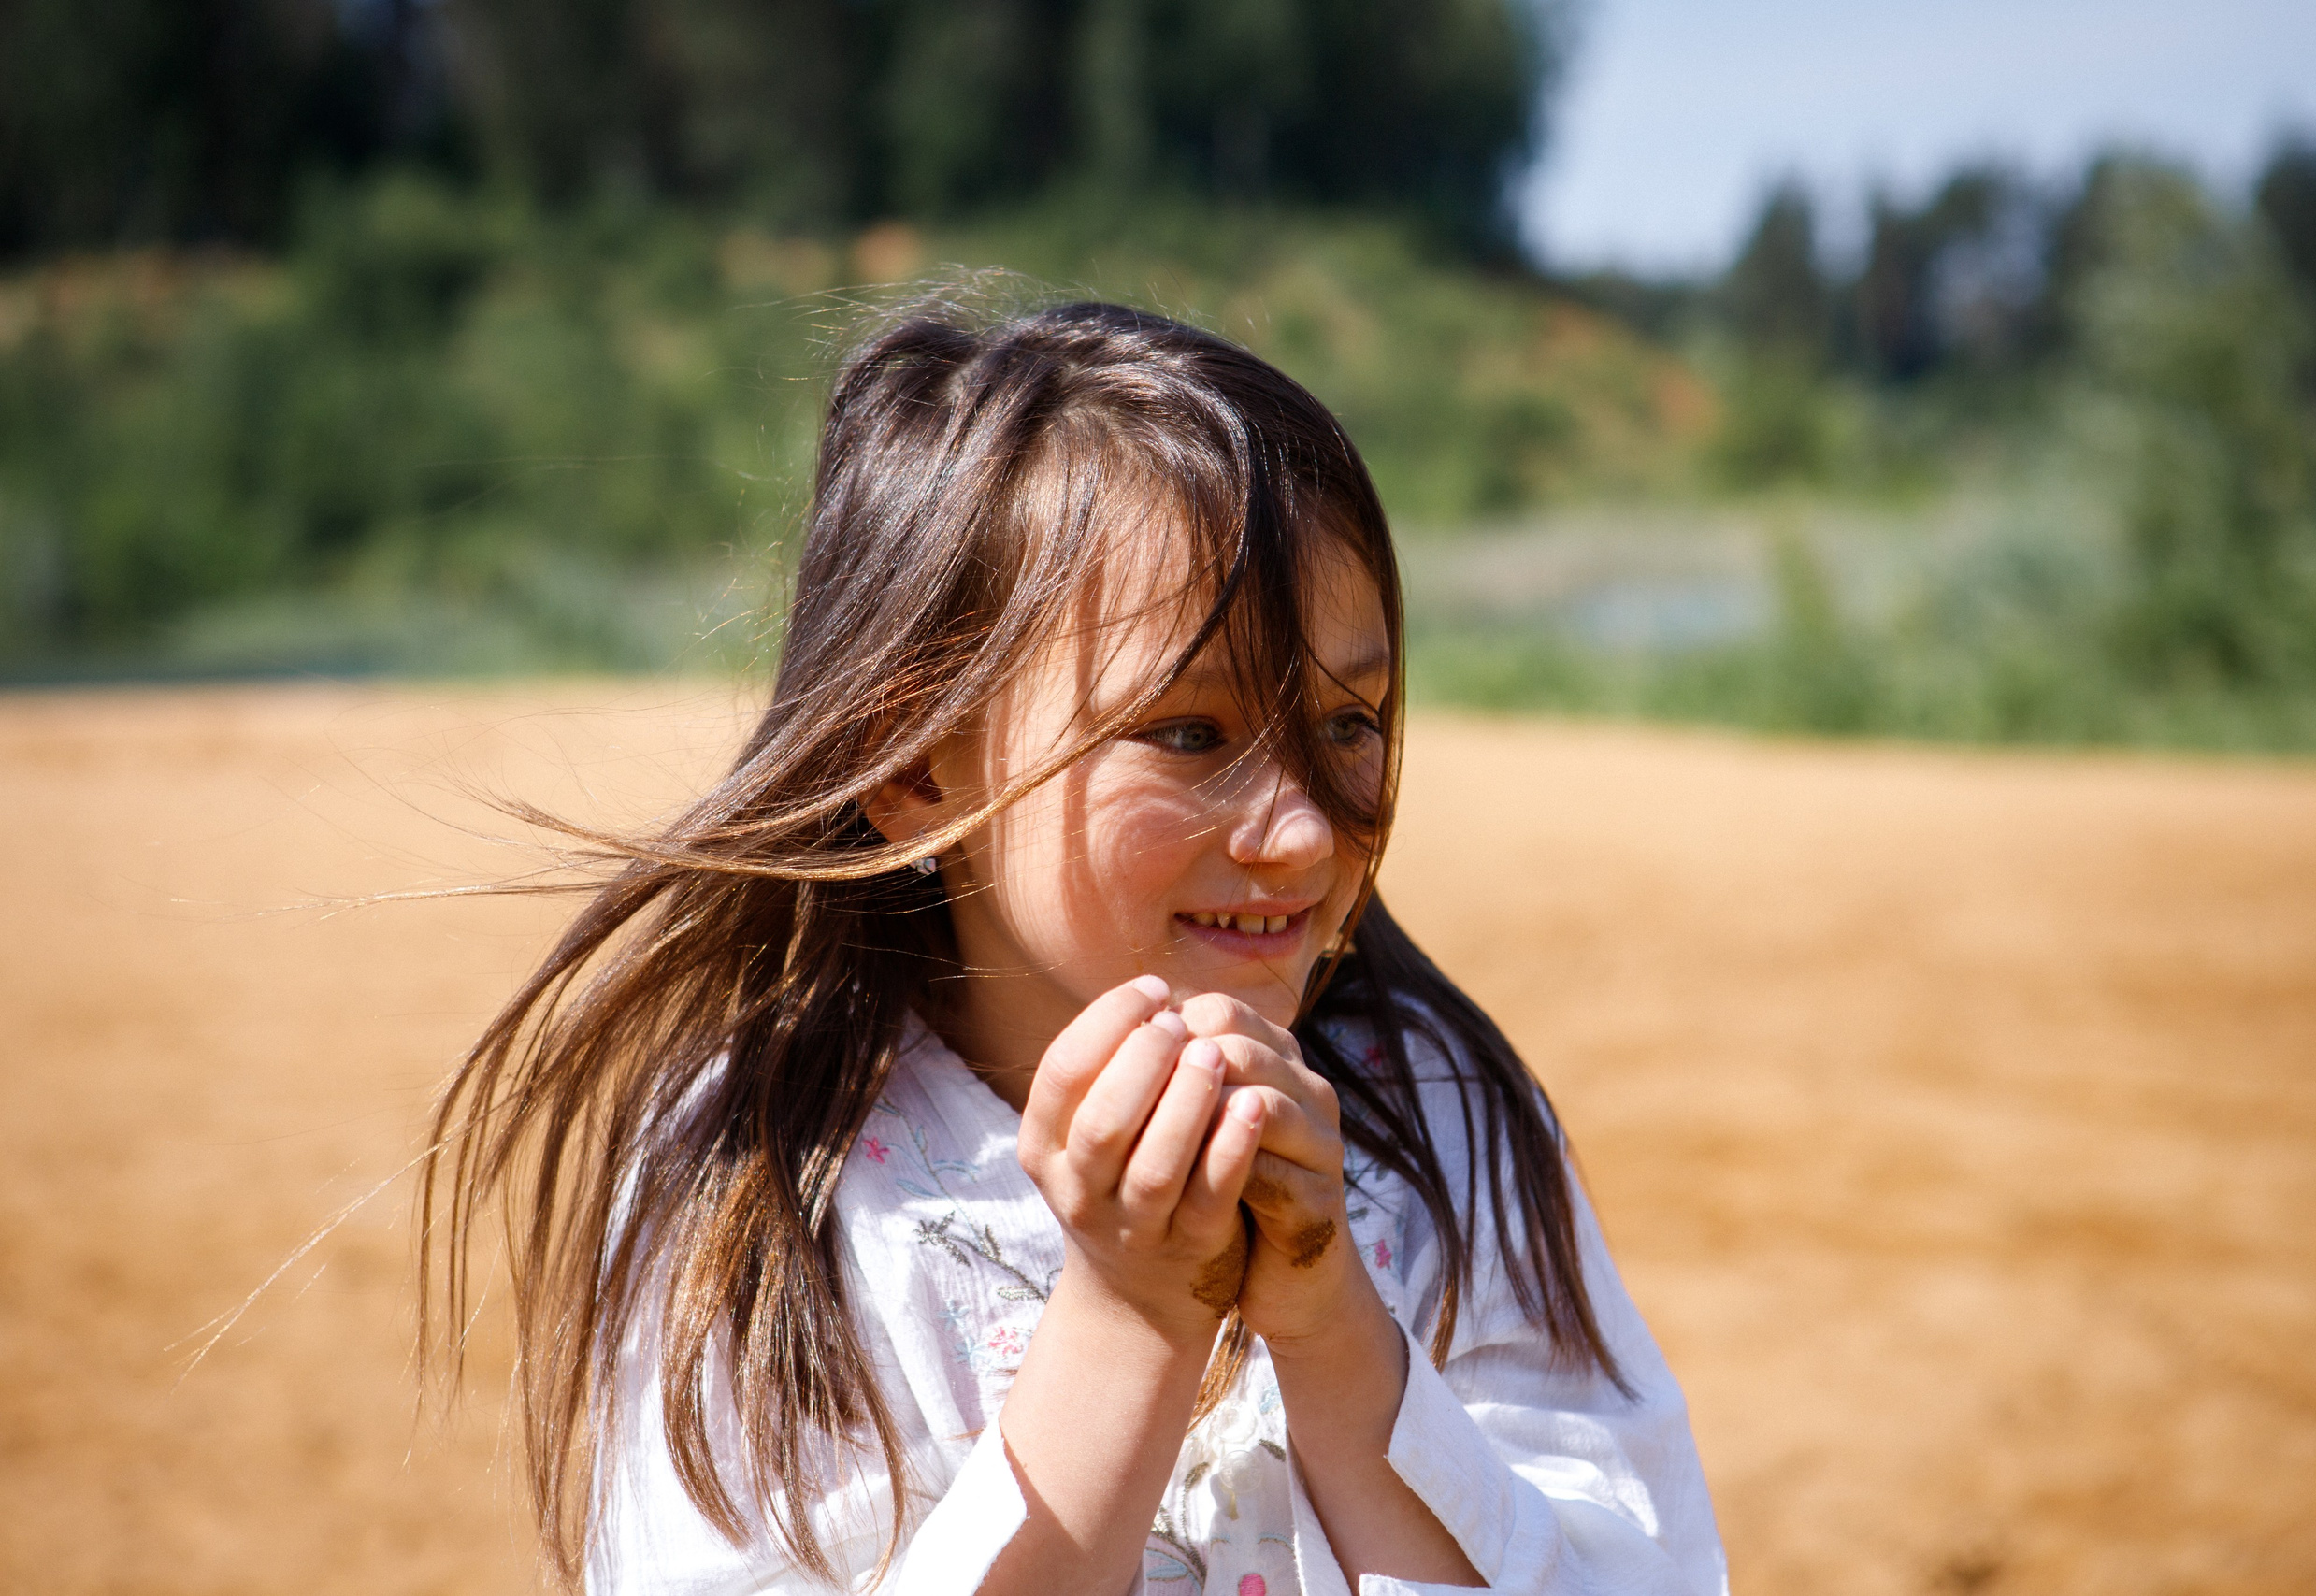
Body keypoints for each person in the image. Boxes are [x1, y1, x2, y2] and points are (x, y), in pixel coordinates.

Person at [421, 302, 1727, 1596]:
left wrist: (1332, 1326)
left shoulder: (1440, 1122)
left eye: (1348, 723)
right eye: (1192, 734)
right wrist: (1128, 1313)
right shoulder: (775, 1178)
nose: (1298, 833)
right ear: (919, 758)